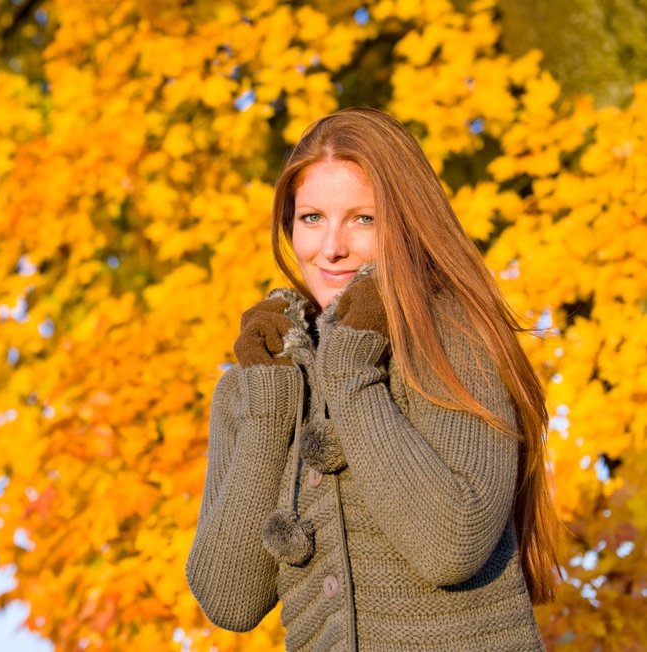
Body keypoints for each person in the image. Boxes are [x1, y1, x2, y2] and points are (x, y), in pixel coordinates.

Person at [185, 107, 559, 651]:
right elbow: (229, 598)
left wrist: (350, 376)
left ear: (405, 222)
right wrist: (270, 405)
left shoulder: (452, 337)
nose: (331, 246)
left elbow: (451, 543)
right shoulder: (256, 383)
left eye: (363, 218)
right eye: (312, 217)